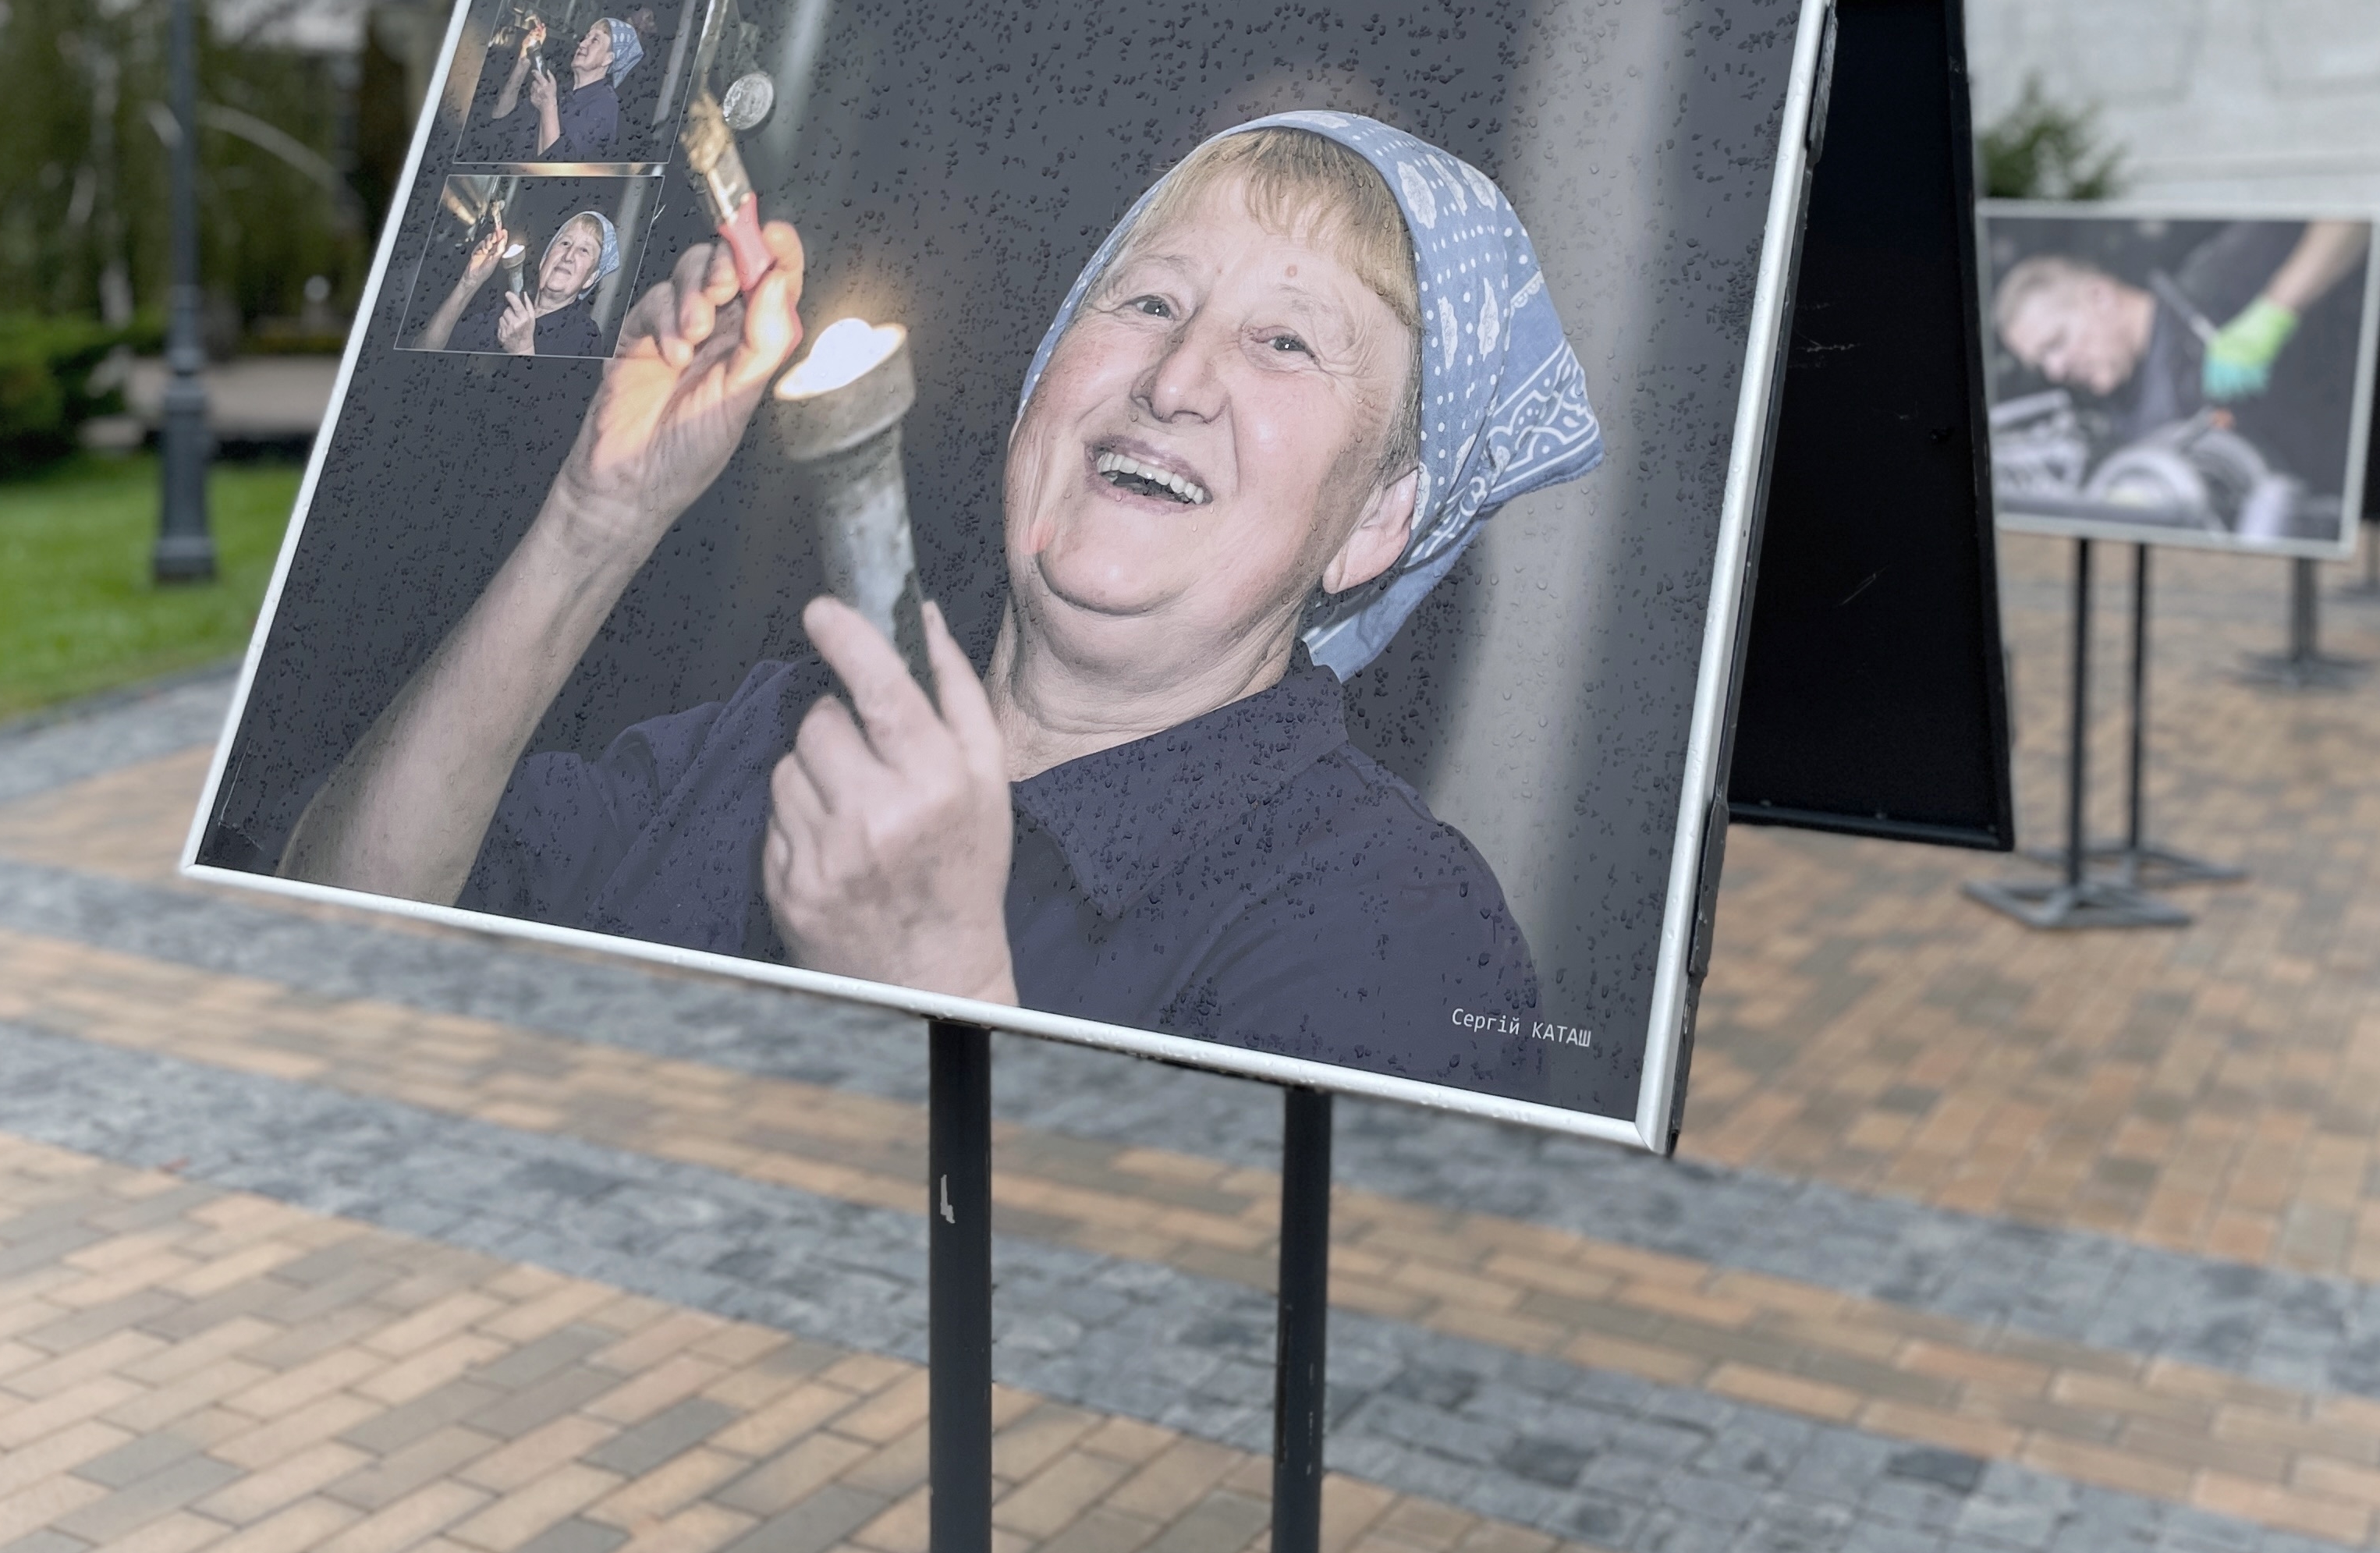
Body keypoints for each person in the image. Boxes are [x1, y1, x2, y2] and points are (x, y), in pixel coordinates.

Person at [286, 114, 1602, 1092]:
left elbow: (1212, 1389)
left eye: (1286, 339)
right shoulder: (785, 728)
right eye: (1146, 297)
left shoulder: (1397, 932)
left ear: (1378, 515)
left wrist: (939, 981)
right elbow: (337, 941)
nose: (1178, 376)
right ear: (1045, 373)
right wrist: (597, 517)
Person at [1991, 218, 2370, 482]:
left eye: (2056, 343)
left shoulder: (2210, 289)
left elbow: (2349, 217)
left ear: (2099, 297)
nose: (2056, 370)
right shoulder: (2117, 411)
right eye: (2042, 363)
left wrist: (2275, 312)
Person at [417, 208, 619, 357]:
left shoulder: (584, 337)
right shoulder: (499, 312)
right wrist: (468, 282)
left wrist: (522, 350)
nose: (568, 255)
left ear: (591, 278)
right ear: (543, 261)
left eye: (585, 250)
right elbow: (422, 352)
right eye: (565, 243)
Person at [481, 15, 642, 161]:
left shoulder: (605, 105)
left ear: (609, 59)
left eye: (595, 40)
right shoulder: (560, 90)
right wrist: (524, 61)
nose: (582, 44)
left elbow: (553, 167)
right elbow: (500, 118)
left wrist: (548, 106)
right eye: (587, 37)